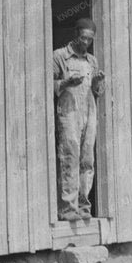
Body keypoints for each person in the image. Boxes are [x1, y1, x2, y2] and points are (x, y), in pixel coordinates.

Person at [53, 17, 105, 220]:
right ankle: (68, 208)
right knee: (70, 158)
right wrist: (67, 83)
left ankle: (83, 207)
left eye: (90, 39)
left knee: (87, 160)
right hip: (69, 113)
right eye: (83, 38)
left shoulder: (92, 61)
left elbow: (97, 91)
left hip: (89, 113)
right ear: (75, 34)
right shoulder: (60, 56)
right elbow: (47, 85)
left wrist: (97, 82)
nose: (86, 42)